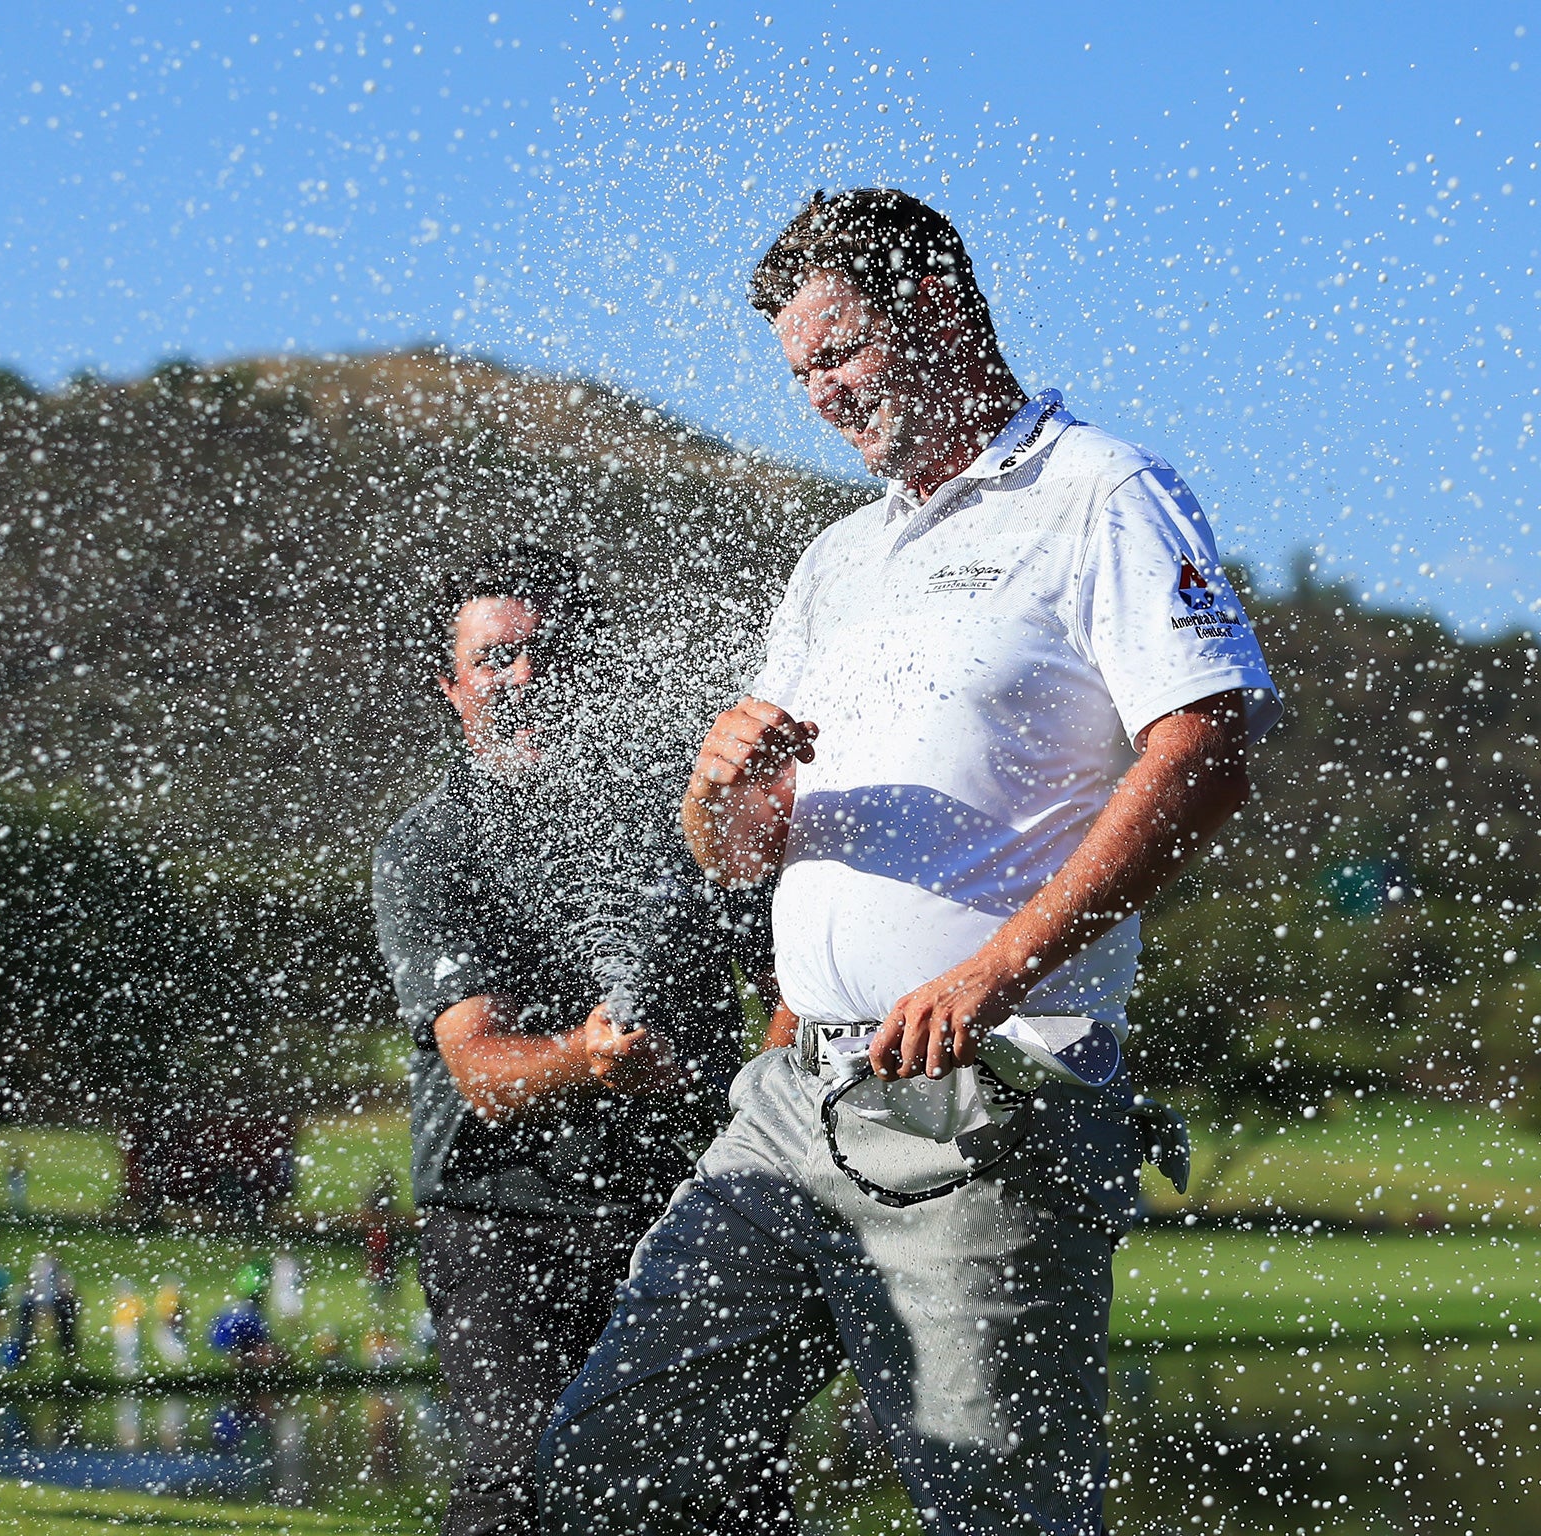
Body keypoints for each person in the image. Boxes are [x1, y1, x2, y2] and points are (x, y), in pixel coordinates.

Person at [539, 187, 1280, 1535]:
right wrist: (718, 791)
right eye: (798, 372)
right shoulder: (840, 555)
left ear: (936, 309)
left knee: (997, 1516)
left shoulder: (1100, 492)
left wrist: (991, 973)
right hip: (793, 1099)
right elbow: (739, 857)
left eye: (837, 352)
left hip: (985, 1105)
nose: (818, 392)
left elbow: (1202, 752)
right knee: (610, 1458)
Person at [373, 544, 774, 1536]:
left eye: (549, 656)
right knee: (520, 1489)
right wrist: (586, 1059)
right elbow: (481, 1071)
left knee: (728, 1492)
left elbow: (791, 984)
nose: (525, 677)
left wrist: (766, 1111)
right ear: (451, 687)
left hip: (688, 1199)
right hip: (503, 1217)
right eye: (494, 659)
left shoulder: (683, 817)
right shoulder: (431, 845)